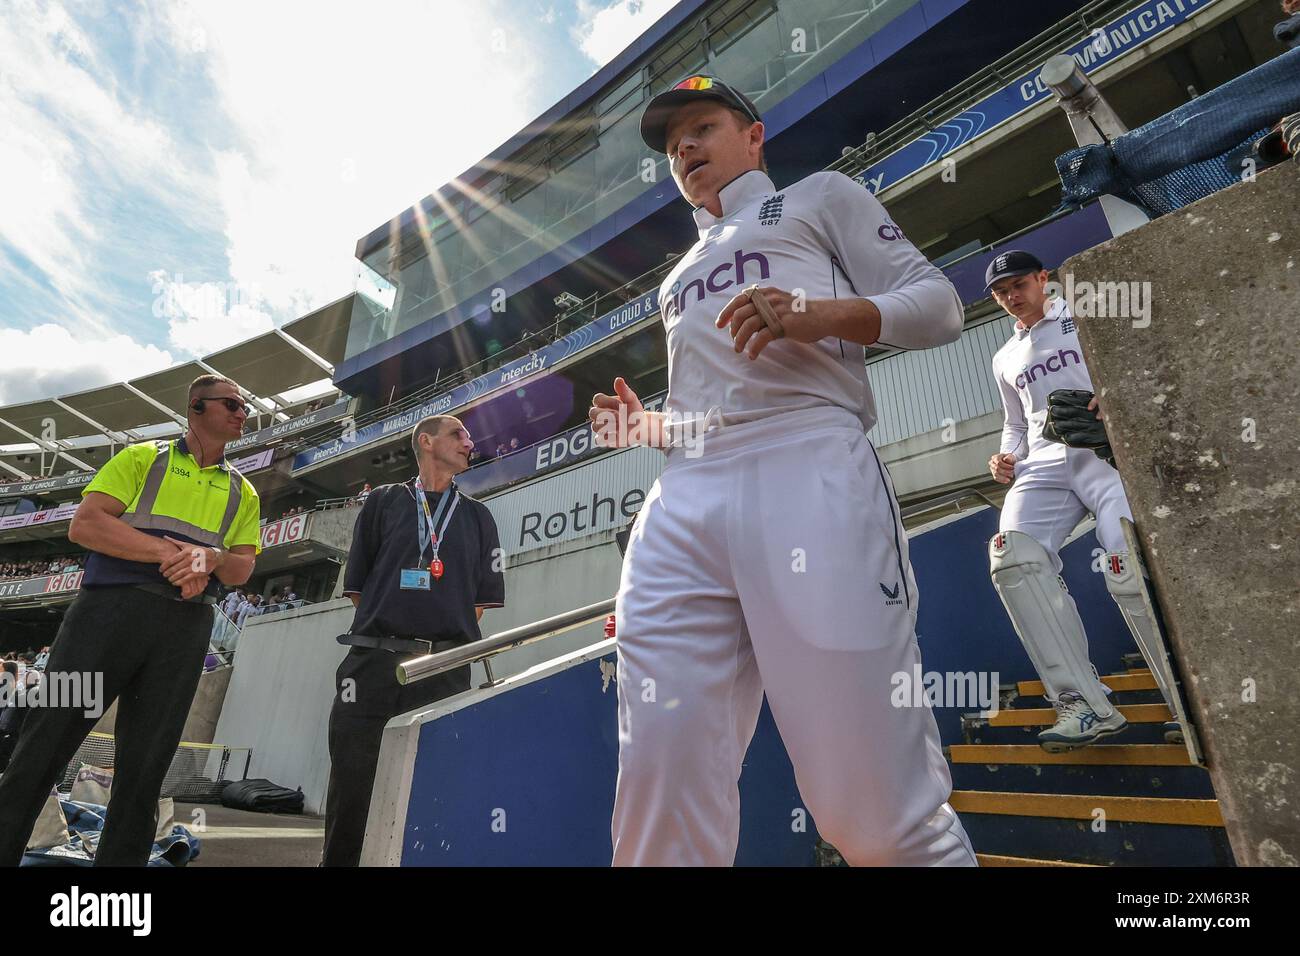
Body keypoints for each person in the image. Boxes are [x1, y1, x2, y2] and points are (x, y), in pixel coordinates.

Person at [588, 75, 975, 866]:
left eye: (701, 127)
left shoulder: (819, 196)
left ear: (754, 137)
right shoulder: (675, 277)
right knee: (659, 783)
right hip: (684, 496)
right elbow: (704, 415)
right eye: (672, 147)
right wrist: (644, 426)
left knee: (867, 807)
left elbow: (939, 306)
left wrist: (817, 314)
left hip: (809, 463)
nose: (685, 150)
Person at [0, 374, 261, 866]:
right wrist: (175, 555)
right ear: (196, 407)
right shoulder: (143, 458)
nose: (241, 412)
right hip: (105, 616)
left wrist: (208, 559)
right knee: (43, 743)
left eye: (244, 406)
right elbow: (87, 524)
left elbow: (243, 565)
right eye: (231, 403)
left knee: (147, 767)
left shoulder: (243, 491)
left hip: (184, 628)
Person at [983, 250, 1178, 751]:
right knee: (1012, 557)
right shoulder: (1004, 357)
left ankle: (1185, 698)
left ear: (1042, 279)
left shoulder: (1083, 313)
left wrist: (1113, 394)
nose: (1010, 296)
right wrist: (1005, 457)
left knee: (1125, 562)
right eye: (1001, 291)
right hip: (1044, 461)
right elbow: (1014, 423)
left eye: (1018, 284)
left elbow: (1139, 359)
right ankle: (1084, 706)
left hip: (1102, 449)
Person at [322, 415, 505, 867]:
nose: (470, 441)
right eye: (457, 434)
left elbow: (478, 604)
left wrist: (433, 633)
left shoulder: (480, 518)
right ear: (425, 442)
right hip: (373, 663)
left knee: (433, 787)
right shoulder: (383, 502)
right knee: (353, 787)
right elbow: (359, 589)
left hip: (444, 669)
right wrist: (398, 629)